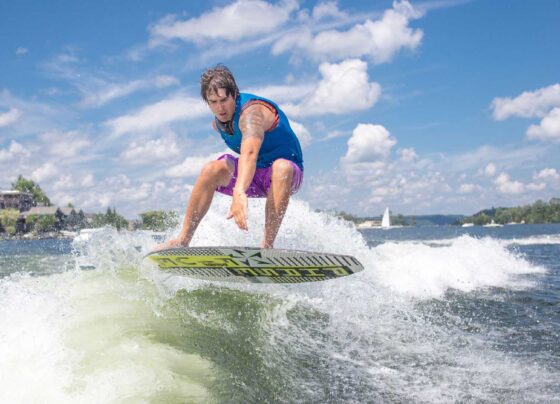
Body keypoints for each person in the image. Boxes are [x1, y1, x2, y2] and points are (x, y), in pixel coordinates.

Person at [161, 64, 304, 249]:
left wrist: (239, 191)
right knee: (211, 169)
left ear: (234, 94)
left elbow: (250, 153)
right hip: (256, 176)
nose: (220, 108)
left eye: (223, 100)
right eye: (213, 102)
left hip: (287, 176)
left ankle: (267, 247)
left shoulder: (252, 114)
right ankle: (183, 240)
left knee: (281, 167)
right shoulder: (217, 125)